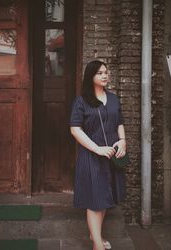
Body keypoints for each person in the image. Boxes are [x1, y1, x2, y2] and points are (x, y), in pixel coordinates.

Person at [69, 60, 126, 250]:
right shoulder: (82, 101)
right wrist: (97, 149)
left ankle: (96, 237)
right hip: (92, 156)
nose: (104, 75)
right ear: (90, 76)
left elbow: (119, 123)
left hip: (111, 155)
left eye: (106, 72)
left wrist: (123, 141)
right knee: (95, 200)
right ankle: (98, 245)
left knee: (103, 198)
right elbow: (75, 130)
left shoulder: (114, 99)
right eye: (100, 73)